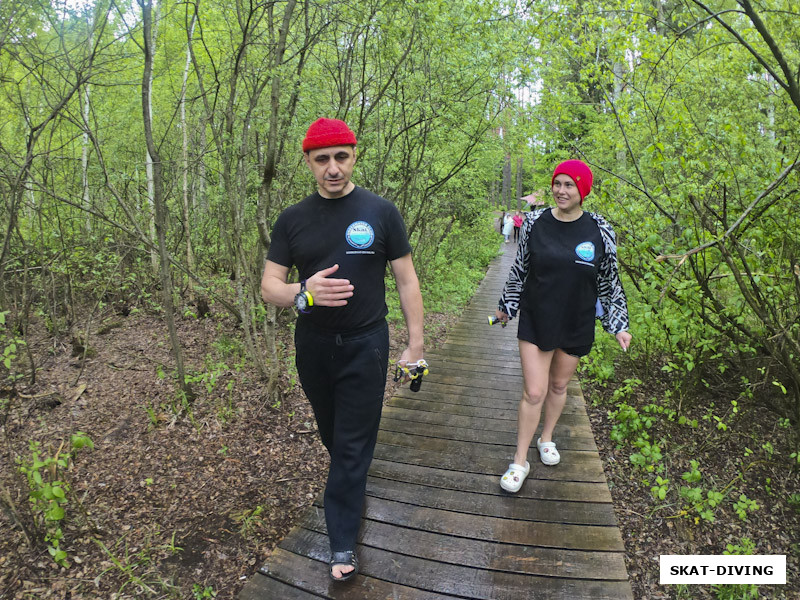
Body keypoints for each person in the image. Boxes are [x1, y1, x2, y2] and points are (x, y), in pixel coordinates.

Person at [260, 118, 425, 581]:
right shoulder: (292, 219)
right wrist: (301, 291)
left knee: (351, 448)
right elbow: (268, 286)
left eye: (341, 157)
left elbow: (406, 279)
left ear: (354, 155)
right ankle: (352, 483)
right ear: (308, 162)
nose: (333, 168)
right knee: (335, 436)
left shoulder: (381, 212)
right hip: (313, 347)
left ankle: (340, 544)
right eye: (322, 159)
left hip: (366, 344)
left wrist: (416, 343)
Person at [494, 159, 631, 493]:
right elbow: (520, 269)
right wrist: (506, 306)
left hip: (577, 319)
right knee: (535, 391)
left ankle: (547, 438)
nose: (561, 190)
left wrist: (618, 324)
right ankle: (519, 460)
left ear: (583, 190)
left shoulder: (600, 230)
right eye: (558, 183)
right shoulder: (534, 222)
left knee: (558, 387)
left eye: (570, 185)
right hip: (538, 315)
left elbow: (609, 281)